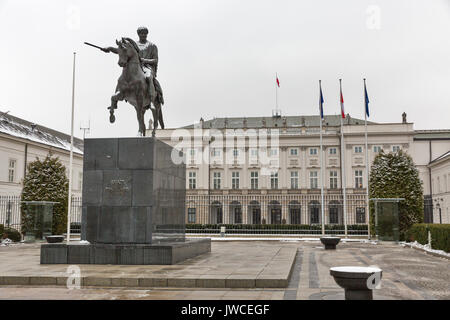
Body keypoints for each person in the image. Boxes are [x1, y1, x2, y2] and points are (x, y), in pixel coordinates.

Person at [102, 26, 160, 102]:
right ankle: (116, 97)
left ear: (147, 34)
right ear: (138, 34)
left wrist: (144, 60)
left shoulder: (152, 46)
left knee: (149, 77)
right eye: (141, 33)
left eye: (144, 33)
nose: (143, 35)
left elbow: (155, 60)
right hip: (134, 68)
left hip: (146, 67)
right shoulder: (133, 45)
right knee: (121, 79)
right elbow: (121, 50)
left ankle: (151, 98)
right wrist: (109, 48)